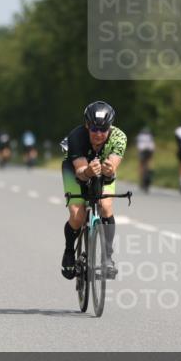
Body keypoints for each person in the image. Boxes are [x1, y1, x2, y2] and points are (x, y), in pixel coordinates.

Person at [60, 100, 127, 280]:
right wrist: (88, 171)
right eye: (94, 129)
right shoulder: (76, 136)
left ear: (110, 127)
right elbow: (80, 172)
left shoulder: (119, 137)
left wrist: (108, 169)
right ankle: (68, 252)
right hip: (75, 169)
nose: (98, 134)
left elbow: (113, 165)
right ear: (87, 126)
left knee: (105, 206)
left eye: (103, 130)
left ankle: (107, 257)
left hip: (103, 172)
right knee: (77, 215)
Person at [136, 126, 155, 192]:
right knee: (149, 161)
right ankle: (150, 170)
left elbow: (138, 146)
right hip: (149, 150)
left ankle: (141, 179)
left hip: (142, 150)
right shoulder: (150, 136)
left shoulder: (140, 136)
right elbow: (152, 145)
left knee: (141, 164)